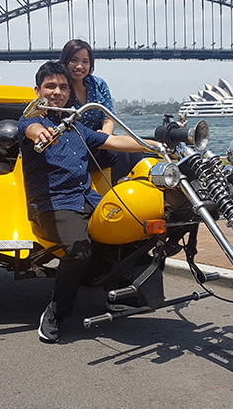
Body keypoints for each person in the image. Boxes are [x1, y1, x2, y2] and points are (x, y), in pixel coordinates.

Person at [18, 61, 158, 343]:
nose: (57, 92)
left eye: (63, 87)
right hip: (53, 203)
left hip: (87, 197)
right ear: (38, 90)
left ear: (70, 93)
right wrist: (38, 133)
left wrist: (154, 145)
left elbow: (113, 141)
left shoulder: (76, 127)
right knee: (79, 251)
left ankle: (121, 291)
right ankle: (56, 312)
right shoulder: (31, 121)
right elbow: (29, 128)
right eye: (51, 86)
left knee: (134, 224)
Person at [59, 39, 143, 183]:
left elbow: (108, 117)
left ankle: (137, 193)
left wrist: (106, 136)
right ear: (65, 61)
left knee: (136, 152)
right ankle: (117, 196)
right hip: (76, 142)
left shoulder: (98, 84)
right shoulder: (60, 87)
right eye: (74, 60)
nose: (79, 66)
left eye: (85, 61)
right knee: (120, 154)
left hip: (100, 137)